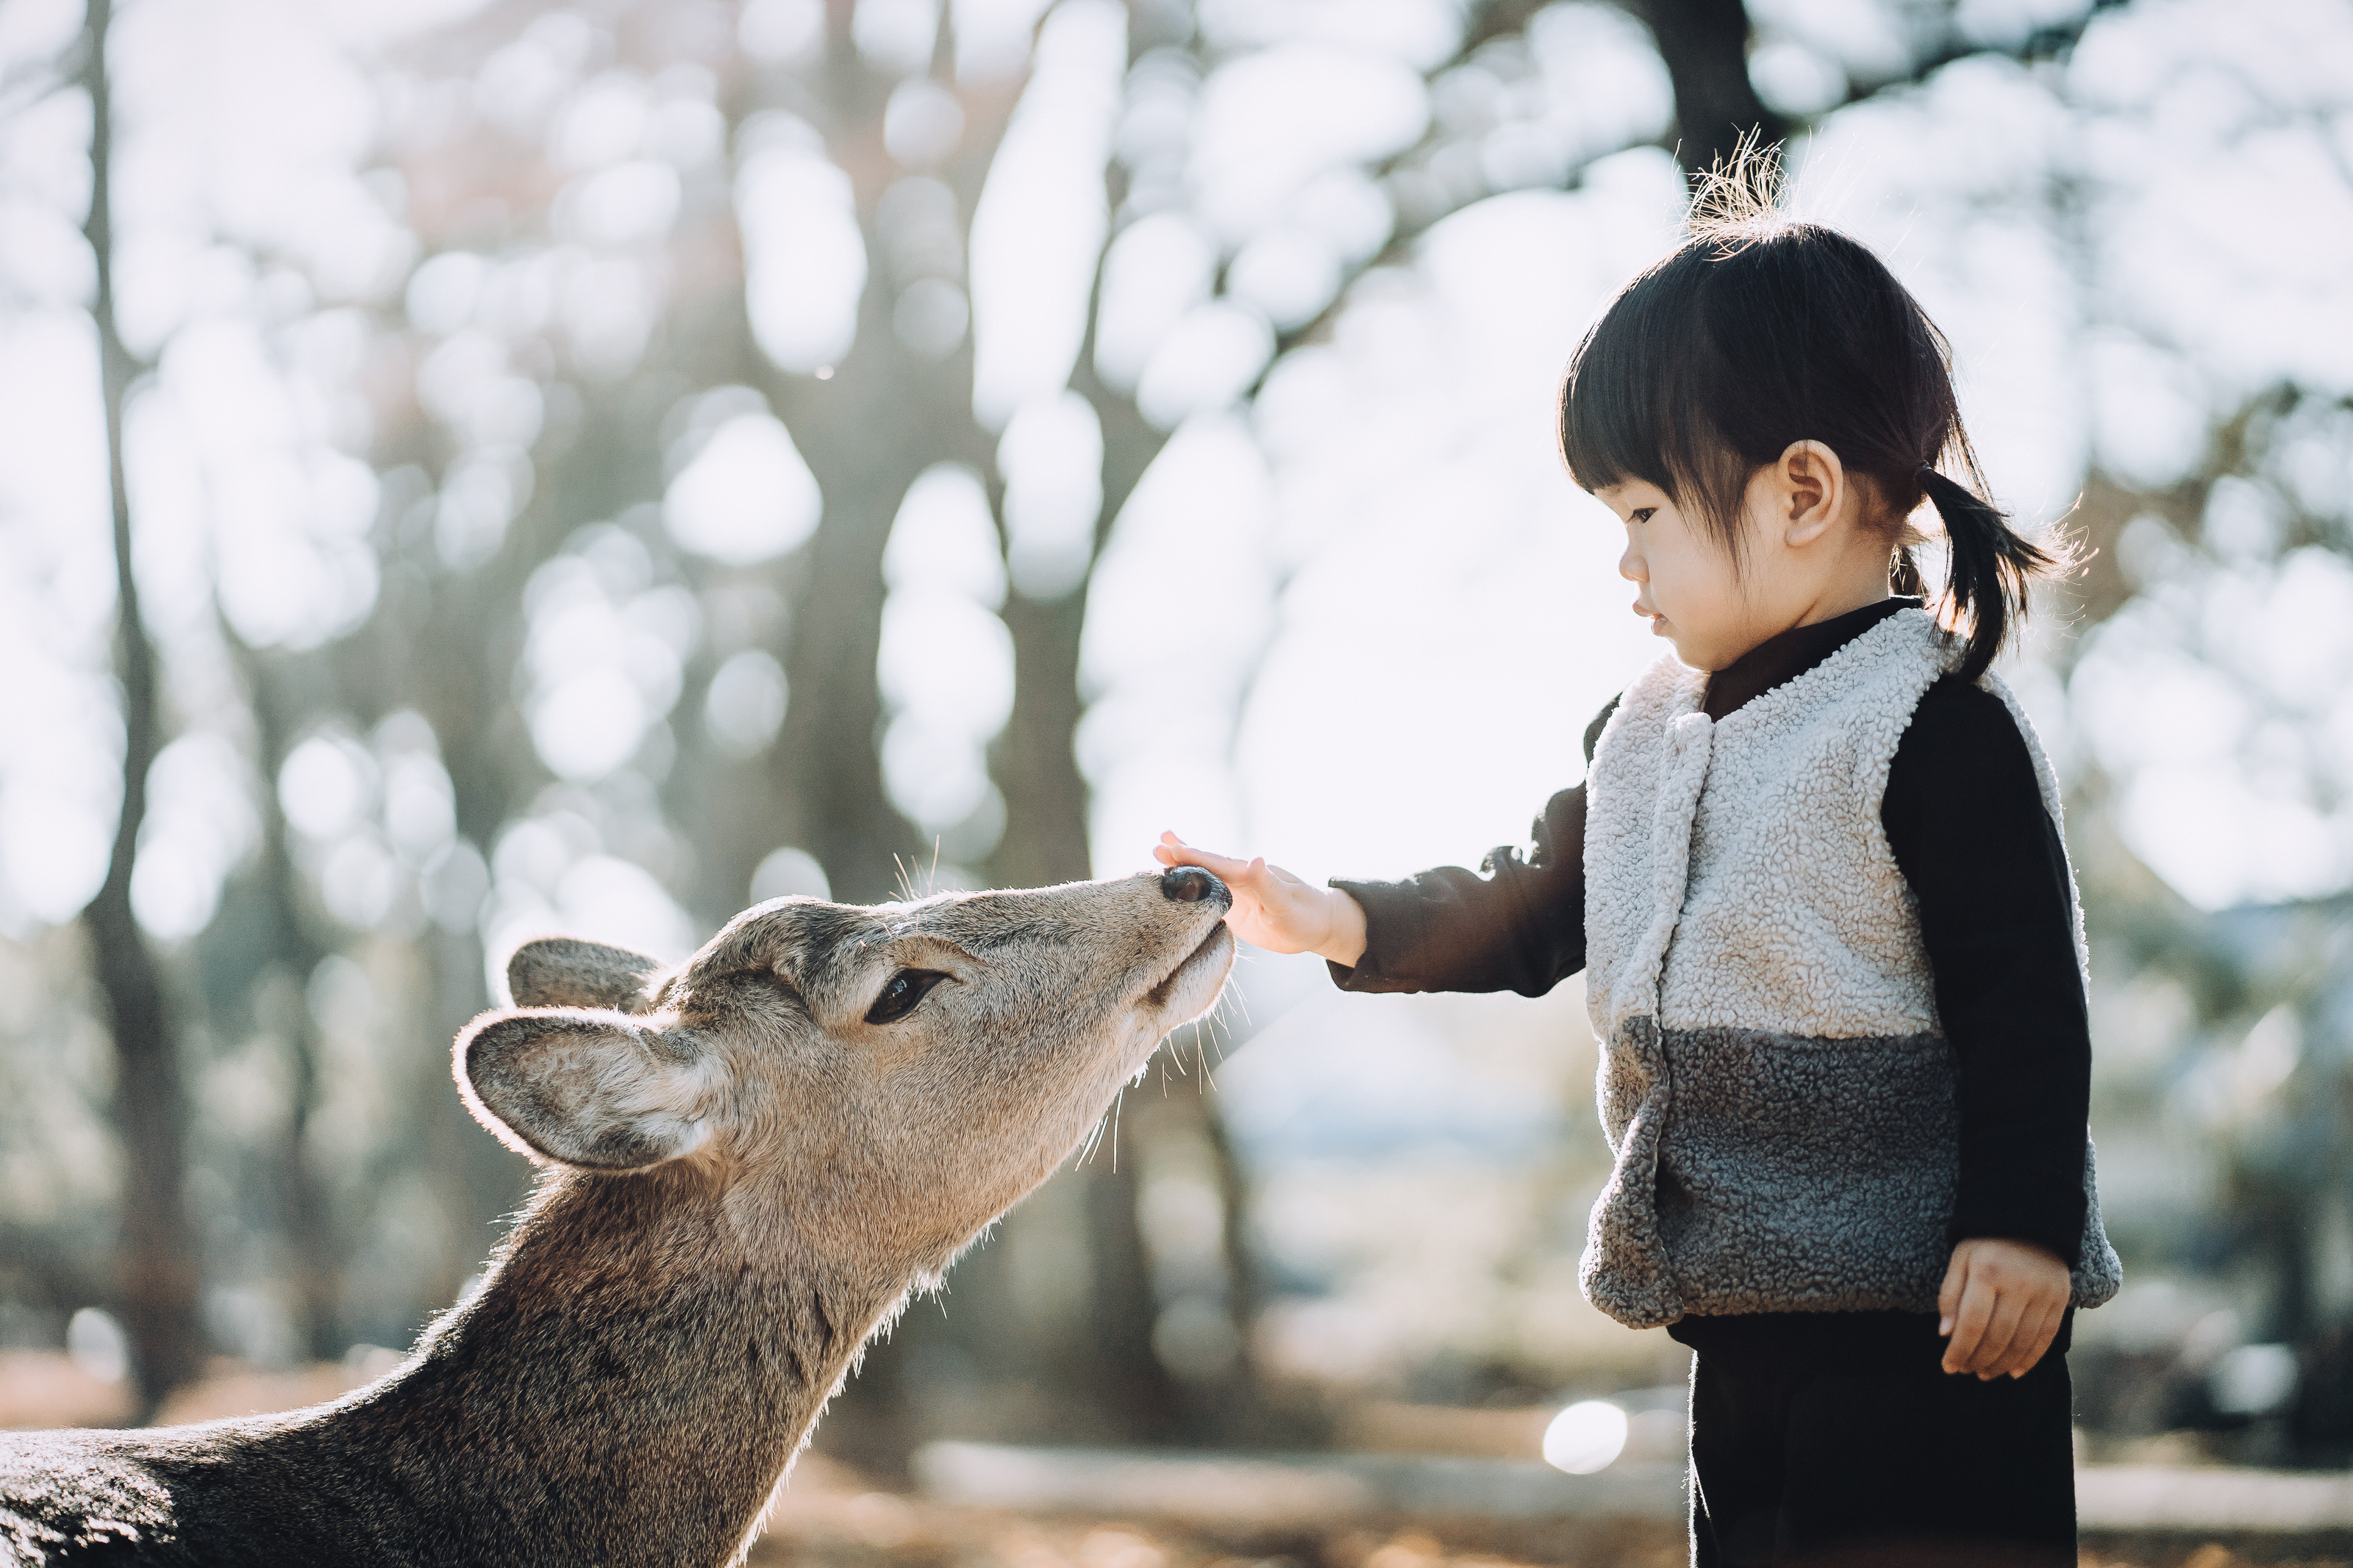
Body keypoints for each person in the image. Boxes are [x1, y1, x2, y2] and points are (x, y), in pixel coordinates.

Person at [1155, 179, 2121, 1565]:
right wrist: (1345, 917)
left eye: (1646, 512)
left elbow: (2028, 997)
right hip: (1737, 1325)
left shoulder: (1930, 725)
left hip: (1935, 1338)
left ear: (1801, 492)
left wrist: (2023, 1226)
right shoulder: (1648, 736)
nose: (1625, 563)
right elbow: (1537, 896)